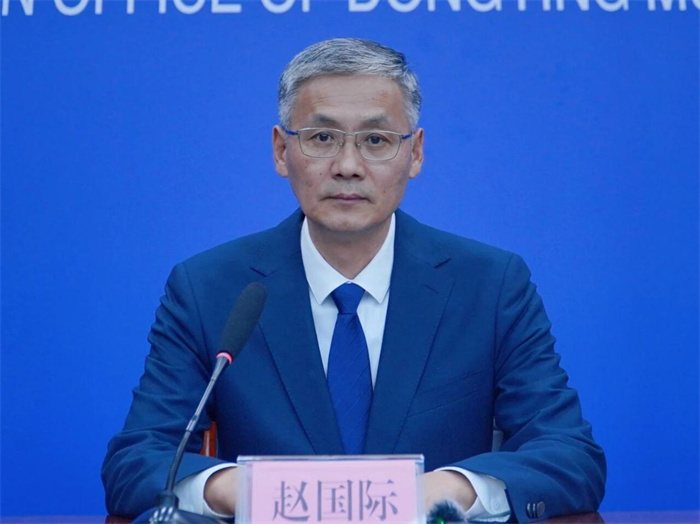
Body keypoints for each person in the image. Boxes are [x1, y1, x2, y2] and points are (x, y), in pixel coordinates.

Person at [102, 38, 605, 522]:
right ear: (280, 150)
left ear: (415, 153)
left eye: (376, 141)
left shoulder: (490, 286)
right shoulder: (209, 288)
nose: (347, 166)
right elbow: (136, 460)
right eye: (322, 138)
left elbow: (569, 455)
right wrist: (242, 489)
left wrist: (450, 490)